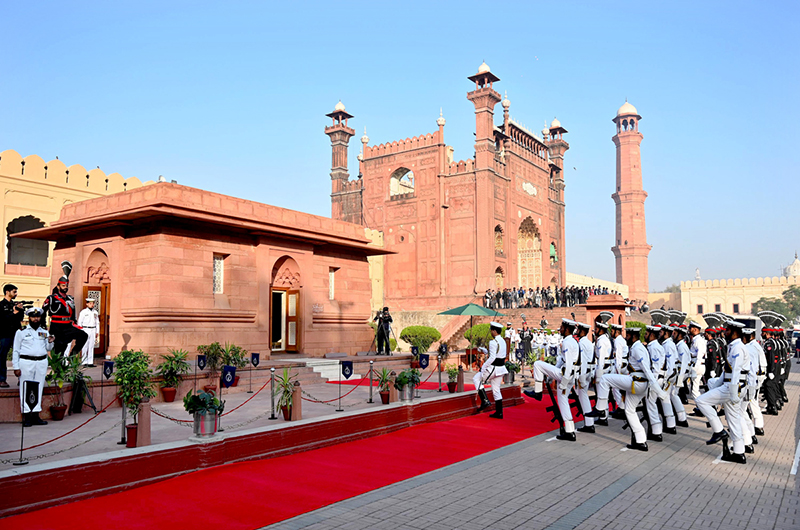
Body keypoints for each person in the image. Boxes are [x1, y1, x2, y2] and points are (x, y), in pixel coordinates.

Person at [586, 326, 667, 451]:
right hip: (638, 383)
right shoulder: (636, 347)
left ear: (633, 336)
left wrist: (659, 391)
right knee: (629, 411)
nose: (626, 338)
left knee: (605, 379)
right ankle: (641, 441)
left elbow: (646, 370)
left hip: (637, 382)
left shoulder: (638, 349)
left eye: (628, 335)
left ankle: (601, 408)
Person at [696, 318, 750, 464]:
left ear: (734, 332)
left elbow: (737, 371)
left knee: (701, 401)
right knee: (733, 420)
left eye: (728, 330)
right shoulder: (733, 346)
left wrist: (732, 393)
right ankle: (739, 453)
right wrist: (716, 383)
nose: (725, 332)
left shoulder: (738, 347)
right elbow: (727, 370)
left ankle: (719, 431)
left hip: (733, 388)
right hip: (733, 387)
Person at [524, 318, 580, 441]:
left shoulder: (568, 342)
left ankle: (538, 392)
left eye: (562, 327)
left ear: (566, 329)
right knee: (563, 403)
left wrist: (564, 381)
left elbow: (569, 363)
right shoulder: (571, 341)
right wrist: (550, 376)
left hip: (565, 375)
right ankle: (570, 432)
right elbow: (561, 360)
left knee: (538, 364)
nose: (560, 329)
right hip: (568, 375)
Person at [12, 307, 55, 427]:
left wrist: (51, 341)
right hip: (26, 362)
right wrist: (16, 367)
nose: (36, 319)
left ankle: (36, 414)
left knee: (39, 387)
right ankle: (27, 416)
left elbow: (48, 348)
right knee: (26, 388)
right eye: (33, 316)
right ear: (29, 318)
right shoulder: (21, 332)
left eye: (38, 317)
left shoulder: (44, 332)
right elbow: (16, 350)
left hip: (41, 362)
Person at [43, 275, 87, 358]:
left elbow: (73, 314)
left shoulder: (70, 299)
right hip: (56, 326)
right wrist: (44, 327)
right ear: (58, 286)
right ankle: (58, 368)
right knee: (60, 348)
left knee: (83, 336)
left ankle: (71, 356)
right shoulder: (51, 298)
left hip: (67, 325)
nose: (65, 287)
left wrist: (74, 323)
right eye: (63, 285)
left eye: (66, 285)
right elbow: (43, 312)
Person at [473, 322, 508, 419]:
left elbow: (492, 357)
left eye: (492, 330)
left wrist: (484, 367)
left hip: (493, 368)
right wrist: (485, 351)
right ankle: (499, 413)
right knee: (496, 390)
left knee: (476, 379)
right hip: (501, 368)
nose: (491, 332)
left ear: (494, 331)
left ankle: (485, 400)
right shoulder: (502, 341)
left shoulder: (493, 342)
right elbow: (497, 353)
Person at [0, 284, 25, 388]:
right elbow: (2, 320)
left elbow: (20, 318)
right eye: (14, 292)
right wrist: (13, 313)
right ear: (7, 292)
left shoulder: (14, 304)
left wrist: (20, 310)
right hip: (5, 334)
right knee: (2, 356)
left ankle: (21, 378)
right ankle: (2, 379)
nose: (16, 294)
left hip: (16, 334)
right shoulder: (1, 305)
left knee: (21, 356)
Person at [575, 322, 596, 433]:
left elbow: (582, 361)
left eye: (578, 330)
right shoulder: (588, 342)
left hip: (584, 372)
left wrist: (581, 376)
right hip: (589, 371)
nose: (577, 331)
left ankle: (589, 424)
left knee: (583, 397)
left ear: (582, 331)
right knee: (584, 397)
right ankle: (589, 423)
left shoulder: (582, 343)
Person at [77, 298, 99, 366]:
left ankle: (90, 362)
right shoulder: (83, 312)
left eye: (92, 303)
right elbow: (79, 322)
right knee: (85, 345)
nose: (91, 305)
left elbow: (97, 322)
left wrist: (97, 331)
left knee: (91, 346)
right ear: (87, 304)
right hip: (85, 329)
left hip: (93, 329)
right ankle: (84, 361)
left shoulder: (95, 312)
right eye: (90, 303)